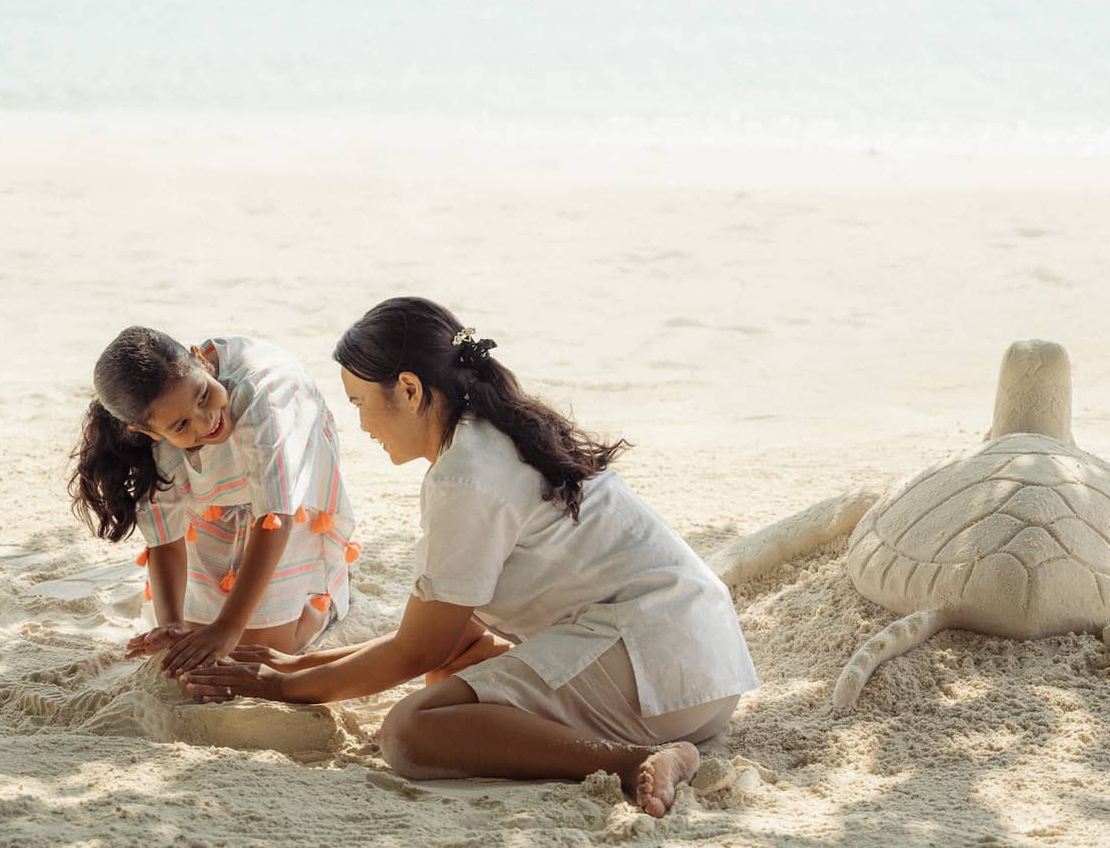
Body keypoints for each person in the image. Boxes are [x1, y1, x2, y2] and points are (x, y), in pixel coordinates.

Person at [182, 297, 759, 818]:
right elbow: (441, 635)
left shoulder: (465, 475)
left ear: (409, 390)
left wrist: (281, 688)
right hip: (702, 672)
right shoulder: (494, 433)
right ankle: (644, 745)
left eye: (360, 402)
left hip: (660, 678)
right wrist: (290, 666)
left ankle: (633, 761)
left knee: (411, 730)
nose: (362, 424)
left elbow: (418, 649)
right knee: (458, 658)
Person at [70, 327, 357, 677]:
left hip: (285, 494)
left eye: (204, 395)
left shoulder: (263, 397)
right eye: (181, 424)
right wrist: (172, 625)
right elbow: (166, 540)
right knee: (196, 640)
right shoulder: (156, 435)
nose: (207, 421)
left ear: (200, 360)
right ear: (147, 433)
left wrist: (228, 627)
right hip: (219, 495)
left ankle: (321, 604)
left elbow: (275, 517)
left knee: (256, 649)